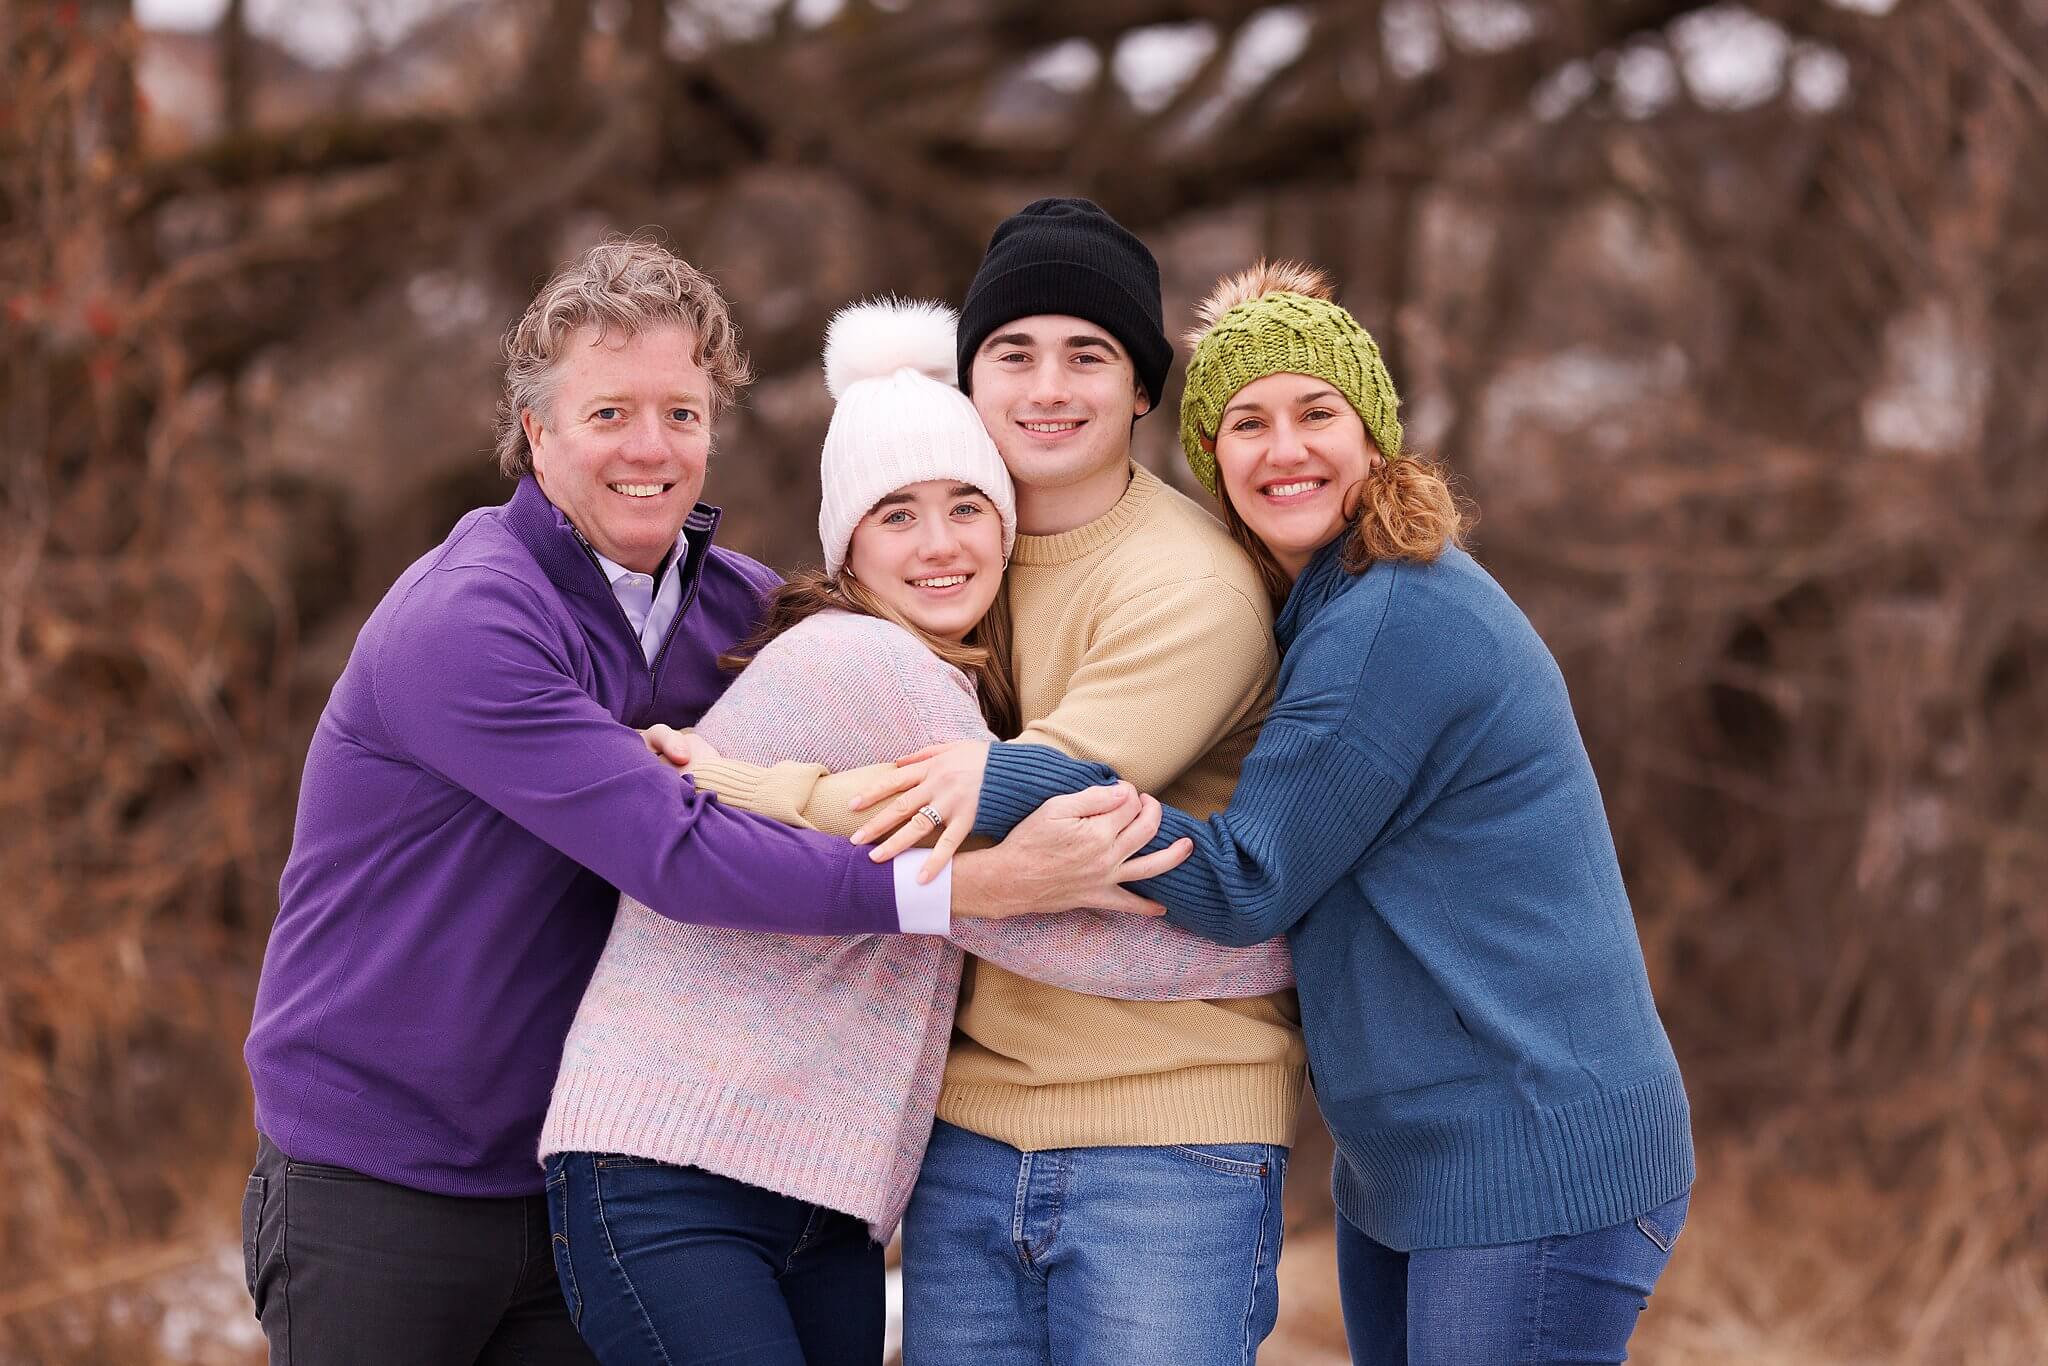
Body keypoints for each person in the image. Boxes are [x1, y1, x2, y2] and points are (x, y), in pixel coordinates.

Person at [238, 239, 1170, 1366]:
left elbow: (852, 774)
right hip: (382, 1175)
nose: (649, 447)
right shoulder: (467, 620)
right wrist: (968, 885)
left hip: (583, 1170)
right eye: (608, 413)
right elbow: (676, 853)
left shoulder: (746, 618)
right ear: (535, 434)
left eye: (681, 412)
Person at [858, 262, 1698, 1365]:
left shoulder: (1394, 614)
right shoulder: (1329, 605)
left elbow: (1246, 879)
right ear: (1211, 459)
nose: (1282, 447)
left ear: (1374, 434)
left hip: (1529, 1151)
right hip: (1410, 1163)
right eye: (1245, 423)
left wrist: (1015, 779)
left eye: (1315, 413)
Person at [540, 298, 1290, 1366]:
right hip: (674, 1164)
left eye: (966, 508)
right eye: (895, 516)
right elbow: (1029, 916)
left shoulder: (944, 680)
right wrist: (1275, 948)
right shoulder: (875, 668)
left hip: (809, 1192)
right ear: (847, 541)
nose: (939, 545)